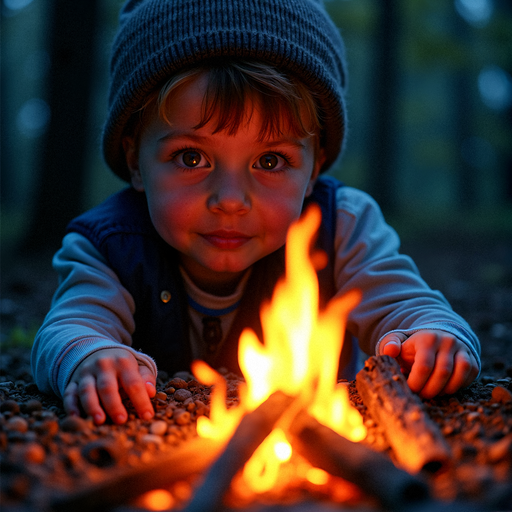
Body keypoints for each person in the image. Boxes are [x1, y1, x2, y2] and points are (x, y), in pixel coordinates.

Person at [31, 0, 480, 426]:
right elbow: (71, 324)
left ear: (315, 167)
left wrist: (433, 336)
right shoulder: (109, 244)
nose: (230, 199)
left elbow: (406, 303)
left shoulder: (342, 224)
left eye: (269, 161)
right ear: (135, 161)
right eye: (191, 158)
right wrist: (89, 355)